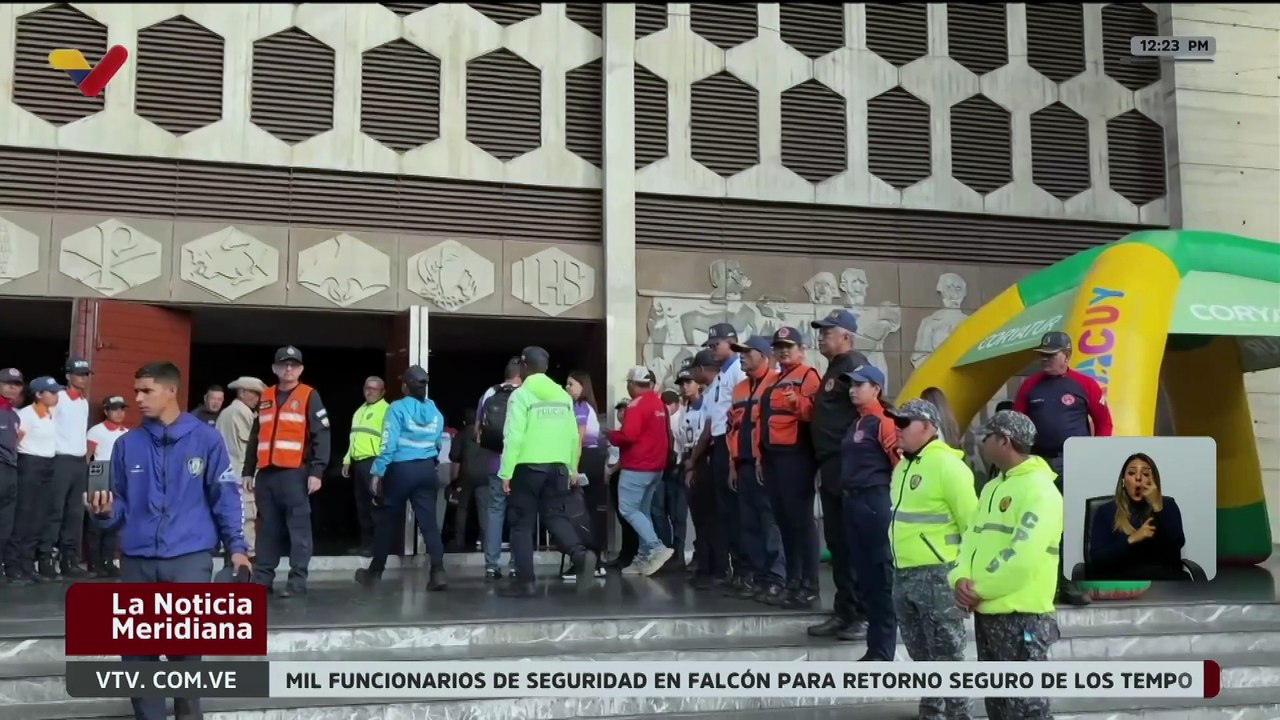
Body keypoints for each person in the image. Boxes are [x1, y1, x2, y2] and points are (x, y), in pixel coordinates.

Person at [85, 361, 249, 720]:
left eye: (146, 391)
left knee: (185, 654)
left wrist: (237, 548)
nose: (138, 398)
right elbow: (120, 507)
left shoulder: (206, 439)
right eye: (136, 391)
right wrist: (103, 511)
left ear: (171, 390)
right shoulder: (128, 444)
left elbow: (225, 496)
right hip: (137, 561)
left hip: (189, 559)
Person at [950, 410, 1061, 720]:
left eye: (987, 437)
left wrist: (979, 589)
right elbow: (971, 539)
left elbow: (1023, 555)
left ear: (1004, 441)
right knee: (998, 705)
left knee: (1027, 708)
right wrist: (959, 578)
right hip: (989, 613)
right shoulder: (992, 487)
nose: (981, 443)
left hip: (1022, 617)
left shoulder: (1039, 489)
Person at [887, 399, 977, 720]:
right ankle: (931, 710)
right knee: (921, 653)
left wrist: (968, 575)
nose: (897, 429)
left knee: (949, 656)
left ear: (927, 426)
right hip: (904, 574)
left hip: (939, 575)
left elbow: (972, 526)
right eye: (895, 422)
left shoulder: (949, 467)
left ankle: (958, 714)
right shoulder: (902, 467)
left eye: (904, 423)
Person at [1014, 331, 1113, 606]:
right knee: (1037, 523)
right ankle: (1040, 585)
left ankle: (1069, 586)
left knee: (1072, 524)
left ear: (1067, 356)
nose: (1044, 360)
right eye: (1042, 356)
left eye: (1051, 355)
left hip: (1074, 462)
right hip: (1038, 465)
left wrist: (1095, 453)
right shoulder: (1029, 386)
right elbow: (1016, 425)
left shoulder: (1085, 384)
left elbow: (1104, 421)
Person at [496, 347, 598, 597]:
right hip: (559, 468)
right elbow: (573, 436)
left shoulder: (521, 396)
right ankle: (580, 555)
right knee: (555, 517)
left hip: (528, 468)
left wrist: (505, 471)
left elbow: (514, 436)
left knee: (521, 524)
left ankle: (526, 582)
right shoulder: (562, 397)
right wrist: (571, 468)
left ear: (524, 367)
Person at [241, 346, 330, 598]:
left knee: (298, 529)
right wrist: (248, 470)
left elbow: (321, 435)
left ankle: (297, 582)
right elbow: (256, 435)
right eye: (283, 364)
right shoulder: (266, 395)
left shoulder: (309, 395)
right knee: (266, 529)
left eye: (293, 365)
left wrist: (317, 471)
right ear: (274, 368)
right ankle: (262, 580)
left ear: (300, 369)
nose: (288, 369)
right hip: (267, 475)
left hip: (294, 474)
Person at [807, 309, 871, 639]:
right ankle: (843, 610)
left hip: (847, 466)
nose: (821, 337)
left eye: (827, 332)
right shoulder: (834, 367)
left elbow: (864, 411)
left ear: (845, 335)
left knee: (851, 542)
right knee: (837, 544)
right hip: (829, 465)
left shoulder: (854, 365)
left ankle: (861, 614)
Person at [355, 366, 449, 591]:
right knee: (429, 524)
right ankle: (438, 572)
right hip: (426, 470)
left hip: (401, 470)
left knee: (386, 521)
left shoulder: (396, 408)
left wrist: (378, 472)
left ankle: (375, 571)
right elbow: (437, 443)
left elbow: (388, 444)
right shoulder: (435, 412)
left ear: (406, 386)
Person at [757, 326, 822, 609]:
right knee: (784, 523)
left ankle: (809, 586)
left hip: (797, 457)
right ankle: (792, 582)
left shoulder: (809, 376)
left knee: (801, 524)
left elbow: (816, 414)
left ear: (801, 349)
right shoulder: (774, 379)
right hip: (773, 458)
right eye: (779, 346)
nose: (784, 350)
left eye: (789, 346)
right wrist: (761, 456)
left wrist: (801, 404)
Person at [840, 364, 899, 660]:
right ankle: (874, 647)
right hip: (853, 502)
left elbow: (898, 465)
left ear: (876, 389)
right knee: (864, 575)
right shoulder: (857, 423)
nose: (853, 389)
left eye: (859, 384)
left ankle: (884, 649)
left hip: (875, 502)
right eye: (851, 384)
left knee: (880, 574)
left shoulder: (884, 421)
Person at [727, 334, 786, 603]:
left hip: (768, 464)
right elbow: (733, 429)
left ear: (763, 356)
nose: (741, 355)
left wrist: (765, 458)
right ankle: (758, 575)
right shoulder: (739, 388)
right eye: (740, 352)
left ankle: (775, 577)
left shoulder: (776, 382)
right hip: (744, 464)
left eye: (747, 352)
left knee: (770, 521)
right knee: (747, 523)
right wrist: (732, 464)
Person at [609, 366, 676, 576]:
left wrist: (610, 435)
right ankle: (644, 557)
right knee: (643, 512)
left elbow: (628, 435)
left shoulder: (636, 405)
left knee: (628, 509)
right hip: (656, 468)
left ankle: (656, 548)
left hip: (636, 467)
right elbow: (667, 435)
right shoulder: (659, 403)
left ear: (631, 384)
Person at [1087, 452, 1188, 581]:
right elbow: (1098, 559)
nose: (1138, 478)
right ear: (1123, 481)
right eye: (1132, 473)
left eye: (1145, 474)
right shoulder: (1106, 511)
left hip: (1163, 583)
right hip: (1122, 585)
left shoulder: (1167, 505)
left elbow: (1177, 543)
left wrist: (1157, 507)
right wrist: (1132, 539)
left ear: (1154, 481)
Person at [703, 323, 747, 587]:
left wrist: (733, 452)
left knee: (736, 511)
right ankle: (735, 569)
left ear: (731, 341)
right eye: (709, 346)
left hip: (732, 441)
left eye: (715, 345)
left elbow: (739, 413)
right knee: (724, 511)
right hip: (719, 441)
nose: (712, 350)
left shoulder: (738, 370)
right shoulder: (722, 373)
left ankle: (744, 570)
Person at [9, 376, 60, 585]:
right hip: (30, 465)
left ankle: (28, 564)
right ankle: (14, 565)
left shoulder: (50, 414)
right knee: (24, 516)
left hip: (48, 465)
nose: (56, 396)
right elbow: (15, 442)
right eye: (52, 392)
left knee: (39, 517)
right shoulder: (27, 415)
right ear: (38, 394)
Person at [46, 357, 92, 579]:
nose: (83, 378)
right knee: (55, 511)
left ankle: (69, 561)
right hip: (60, 459)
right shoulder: (58, 399)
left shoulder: (83, 402)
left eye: (85, 375)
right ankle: (46, 560)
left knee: (75, 514)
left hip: (78, 461)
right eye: (79, 374)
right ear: (68, 376)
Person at [680, 354, 724, 590]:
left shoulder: (713, 395)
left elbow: (707, 433)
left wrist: (694, 463)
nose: (687, 384)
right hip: (694, 457)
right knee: (701, 520)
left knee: (710, 519)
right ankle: (705, 566)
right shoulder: (702, 398)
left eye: (690, 377)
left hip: (706, 457)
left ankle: (717, 568)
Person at [476, 357, 521, 580]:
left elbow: (478, 431)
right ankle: (516, 565)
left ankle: (491, 566)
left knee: (495, 512)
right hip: (522, 464)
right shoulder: (526, 394)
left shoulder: (489, 393)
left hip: (496, 462)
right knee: (519, 514)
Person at [563, 370, 609, 578]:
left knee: (580, 512)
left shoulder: (581, 407)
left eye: (571, 384)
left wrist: (573, 468)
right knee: (590, 511)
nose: (567, 388)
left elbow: (578, 439)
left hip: (587, 459)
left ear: (583, 386)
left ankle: (586, 561)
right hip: (592, 458)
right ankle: (594, 561)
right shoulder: (580, 406)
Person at [217, 376, 265, 557]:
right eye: (255, 394)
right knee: (246, 517)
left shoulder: (228, 412)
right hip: (241, 474)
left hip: (228, 474)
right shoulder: (242, 413)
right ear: (242, 392)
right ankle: (247, 555)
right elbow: (250, 448)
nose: (258, 399)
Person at [341, 376, 388, 557]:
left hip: (374, 461)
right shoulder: (360, 410)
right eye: (367, 388)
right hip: (359, 462)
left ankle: (377, 546)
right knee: (362, 505)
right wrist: (347, 459)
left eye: (374, 389)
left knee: (374, 504)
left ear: (382, 392)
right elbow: (353, 437)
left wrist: (382, 465)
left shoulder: (386, 410)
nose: (370, 391)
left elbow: (388, 439)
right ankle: (365, 544)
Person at [84, 395, 130, 577]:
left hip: (118, 476)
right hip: (100, 474)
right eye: (115, 409)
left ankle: (108, 560)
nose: (119, 413)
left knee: (114, 520)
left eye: (122, 409)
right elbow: (87, 457)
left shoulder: (126, 432)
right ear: (106, 411)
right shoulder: (96, 431)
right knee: (97, 520)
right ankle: (94, 563)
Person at [650, 388, 687, 572]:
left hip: (678, 469)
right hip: (663, 469)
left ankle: (678, 555)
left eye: (668, 406)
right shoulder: (661, 418)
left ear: (676, 405)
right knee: (659, 512)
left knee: (677, 515)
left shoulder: (681, 418)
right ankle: (667, 552)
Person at [0, 369, 24, 582]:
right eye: (7, 383)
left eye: (16, 384)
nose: (12, 387)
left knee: (6, 523)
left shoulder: (14, 415)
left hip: (10, 469)